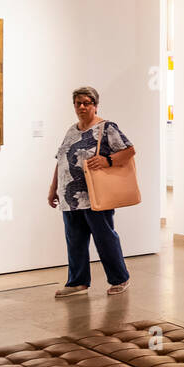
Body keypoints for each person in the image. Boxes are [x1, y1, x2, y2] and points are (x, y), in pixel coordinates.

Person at [48, 86, 135, 297]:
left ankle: (120, 278)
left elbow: (129, 150)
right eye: (78, 103)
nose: (82, 107)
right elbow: (61, 161)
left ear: (95, 105)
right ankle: (77, 282)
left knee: (105, 238)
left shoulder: (106, 128)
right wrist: (53, 189)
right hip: (70, 197)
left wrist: (107, 160)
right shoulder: (71, 130)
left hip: (96, 195)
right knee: (75, 240)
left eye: (87, 103)